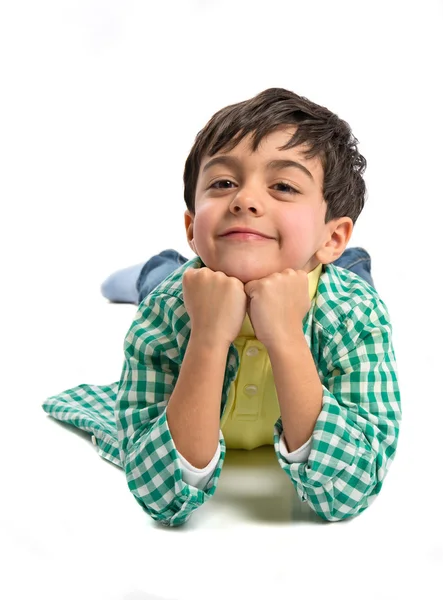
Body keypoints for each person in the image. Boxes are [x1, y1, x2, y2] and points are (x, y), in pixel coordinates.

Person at [42, 88, 402, 527]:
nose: (244, 200)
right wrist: (208, 338)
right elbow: (162, 496)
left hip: (325, 275)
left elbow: (351, 489)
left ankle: (349, 259)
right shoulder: (164, 310)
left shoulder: (355, 314)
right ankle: (154, 270)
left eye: (283, 186)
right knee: (165, 277)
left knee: (353, 273)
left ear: (332, 236)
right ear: (192, 227)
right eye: (223, 183)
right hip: (195, 282)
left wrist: (286, 336)